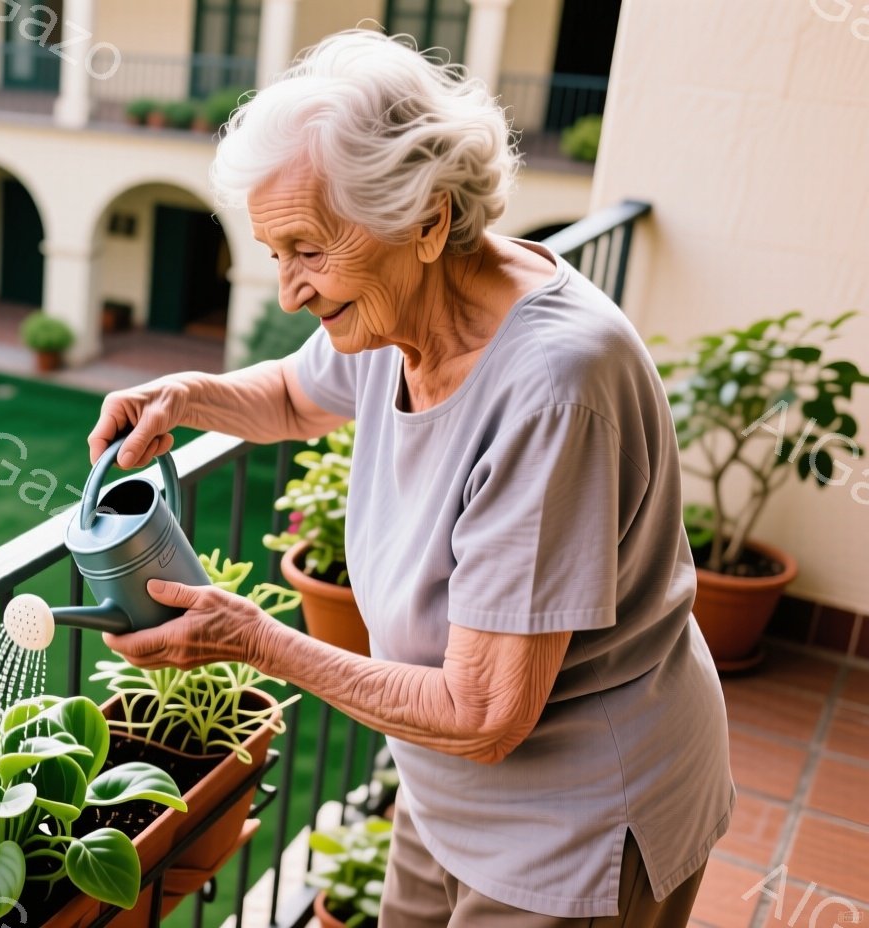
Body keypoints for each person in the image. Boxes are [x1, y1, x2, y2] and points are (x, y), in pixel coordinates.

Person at [90, 30, 733, 928]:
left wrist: (256, 640)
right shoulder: (400, 310)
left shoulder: (551, 389)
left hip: (576, 822)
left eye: (306, 250)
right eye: (275, 252)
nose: (289, 291)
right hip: (445, 793)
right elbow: (291, 392)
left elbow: (485, 712)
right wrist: (185, 393)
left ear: (428, 220)